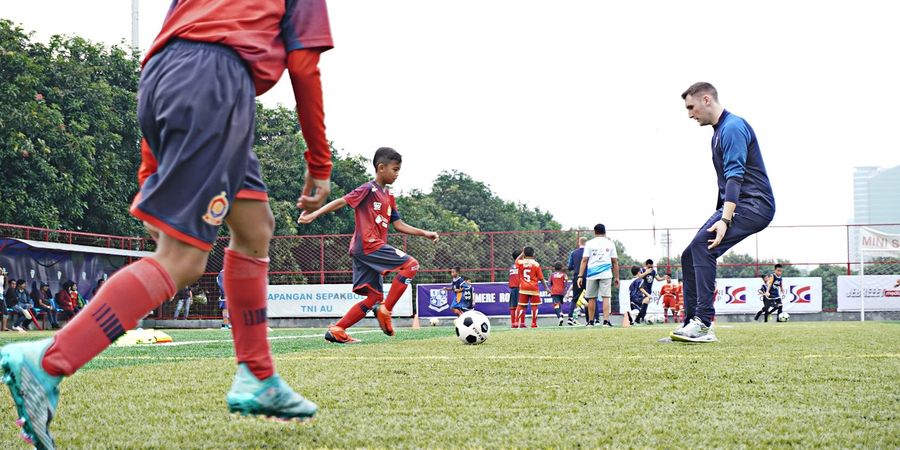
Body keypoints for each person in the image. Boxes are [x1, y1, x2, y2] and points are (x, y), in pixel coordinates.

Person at [1, 2, 338, 446]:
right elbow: (303, 63)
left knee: (255, 227)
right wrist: (319, 161)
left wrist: (148, 172)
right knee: (182, 260)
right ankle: (47, 361)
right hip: (217, 83)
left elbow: (168, 47)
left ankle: (257, 374)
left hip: (169, 77)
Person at [670, 82, 776, 343]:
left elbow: (735, 176)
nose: (690, 114)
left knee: (704, 248)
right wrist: (720, 214)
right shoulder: (718, 132)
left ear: (706, 100)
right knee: (690, 253)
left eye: (691, 107)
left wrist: (725, 219)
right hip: (738, 205)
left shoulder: (732, 127)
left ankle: (704, 324)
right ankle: (691, 325)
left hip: (754, 205)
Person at [299, 147, 439, 343]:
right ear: (381, 168)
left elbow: (398, 225)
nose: (397, 174)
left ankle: (338, 329)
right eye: (395, 169)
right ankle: (386, 310)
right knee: (411, 265)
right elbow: (342, 201)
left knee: (373, 298)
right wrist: (314, 213)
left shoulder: (389, 197)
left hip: (365, 249)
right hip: (368, 245)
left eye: (399, 170)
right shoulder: (368, 189)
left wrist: (424, 233)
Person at [577, 224, 619, 327]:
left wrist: (580, 276)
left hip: (592, 273)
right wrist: (617, 277)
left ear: (594, 232)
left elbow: (584, 260)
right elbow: (615, 262)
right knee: (606, 297)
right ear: (605, 232)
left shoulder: (589, 243)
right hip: (606, 273)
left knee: (591, 298)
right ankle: (606, 321)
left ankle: (591, 321)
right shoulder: (610, 243)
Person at [515, 247, 549, 328]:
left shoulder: (520, 263)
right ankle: (534, 323)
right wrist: (546, 288)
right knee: (534, 306)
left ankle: (516, 322)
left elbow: (516, 261)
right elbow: (541, 278)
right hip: (533, 288)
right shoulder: (536, 264)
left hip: (523, 287)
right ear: (533, 254)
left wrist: (521, 254)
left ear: (524, 253)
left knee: (520, 306)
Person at [634, 260, 664, 324]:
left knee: (645, 304)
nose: (651, 267)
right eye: (649, 266)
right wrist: (646, 272)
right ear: (646, 265)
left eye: (652, 266)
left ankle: (638, 319)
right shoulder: (642, 270)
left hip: (648, 290)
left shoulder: (653, 271)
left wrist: (664, 278)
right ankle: (639, 319)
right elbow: (639, 276)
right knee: (645, 302)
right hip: (642, 289)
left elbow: (658, 279)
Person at [566, 237, 587, 326]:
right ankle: (591, 319)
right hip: (588, 276)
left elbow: (569, 266)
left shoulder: (573, 253)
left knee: (575, 297)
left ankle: (570, 317)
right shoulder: (588, 252)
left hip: (577, 276)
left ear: (579, 243)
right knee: (590, 297)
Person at [507, 251, 520, 328]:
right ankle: (519, 323)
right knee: (521, 306)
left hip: (512, 288)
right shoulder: (520, 266)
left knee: (513, 306)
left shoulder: (512, 267)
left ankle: (513, 323)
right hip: (520, 287)